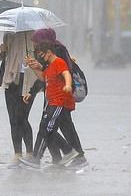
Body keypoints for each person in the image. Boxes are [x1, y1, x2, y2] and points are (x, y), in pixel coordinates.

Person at [19, 29, 88, 169]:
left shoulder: (58, 52)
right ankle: (65, 158)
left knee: (46, 127)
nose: (36, 48)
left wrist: (67, 85)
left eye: (37, 44)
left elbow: (60, 72)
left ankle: (39, 157)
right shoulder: (46, 53)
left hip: (60, 96)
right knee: (64, 127)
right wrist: (32, 91)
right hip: (53, 95)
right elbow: (45, 76)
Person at [0, 31, 38, 169]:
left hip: (28, 80)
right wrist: (3, 51)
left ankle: (30, 153)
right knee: (13, 119)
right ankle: (18, 155)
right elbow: (4, 58)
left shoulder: (33, 35)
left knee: (22, 117)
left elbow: (41, 57)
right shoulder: (8, 34)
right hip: (10, 79)